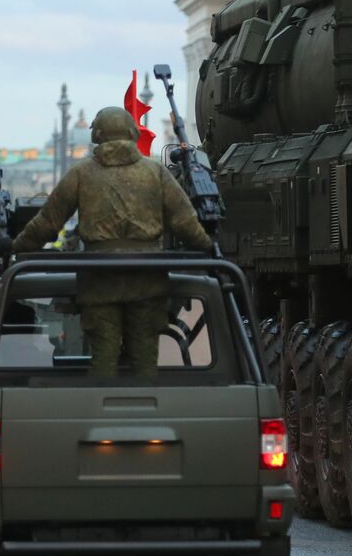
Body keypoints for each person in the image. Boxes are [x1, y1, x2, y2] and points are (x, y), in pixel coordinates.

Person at [11, 107, 211, 377]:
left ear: (97, 135)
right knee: (145, 360)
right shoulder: (155, 172)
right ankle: (145, 402)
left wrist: (16, 247)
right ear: (131, 133)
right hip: (147, 281)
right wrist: (208, 247)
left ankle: (102, 400)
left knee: (103, 358)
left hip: (99, 282)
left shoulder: (81, 174)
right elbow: (185, 222)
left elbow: (47, 222)